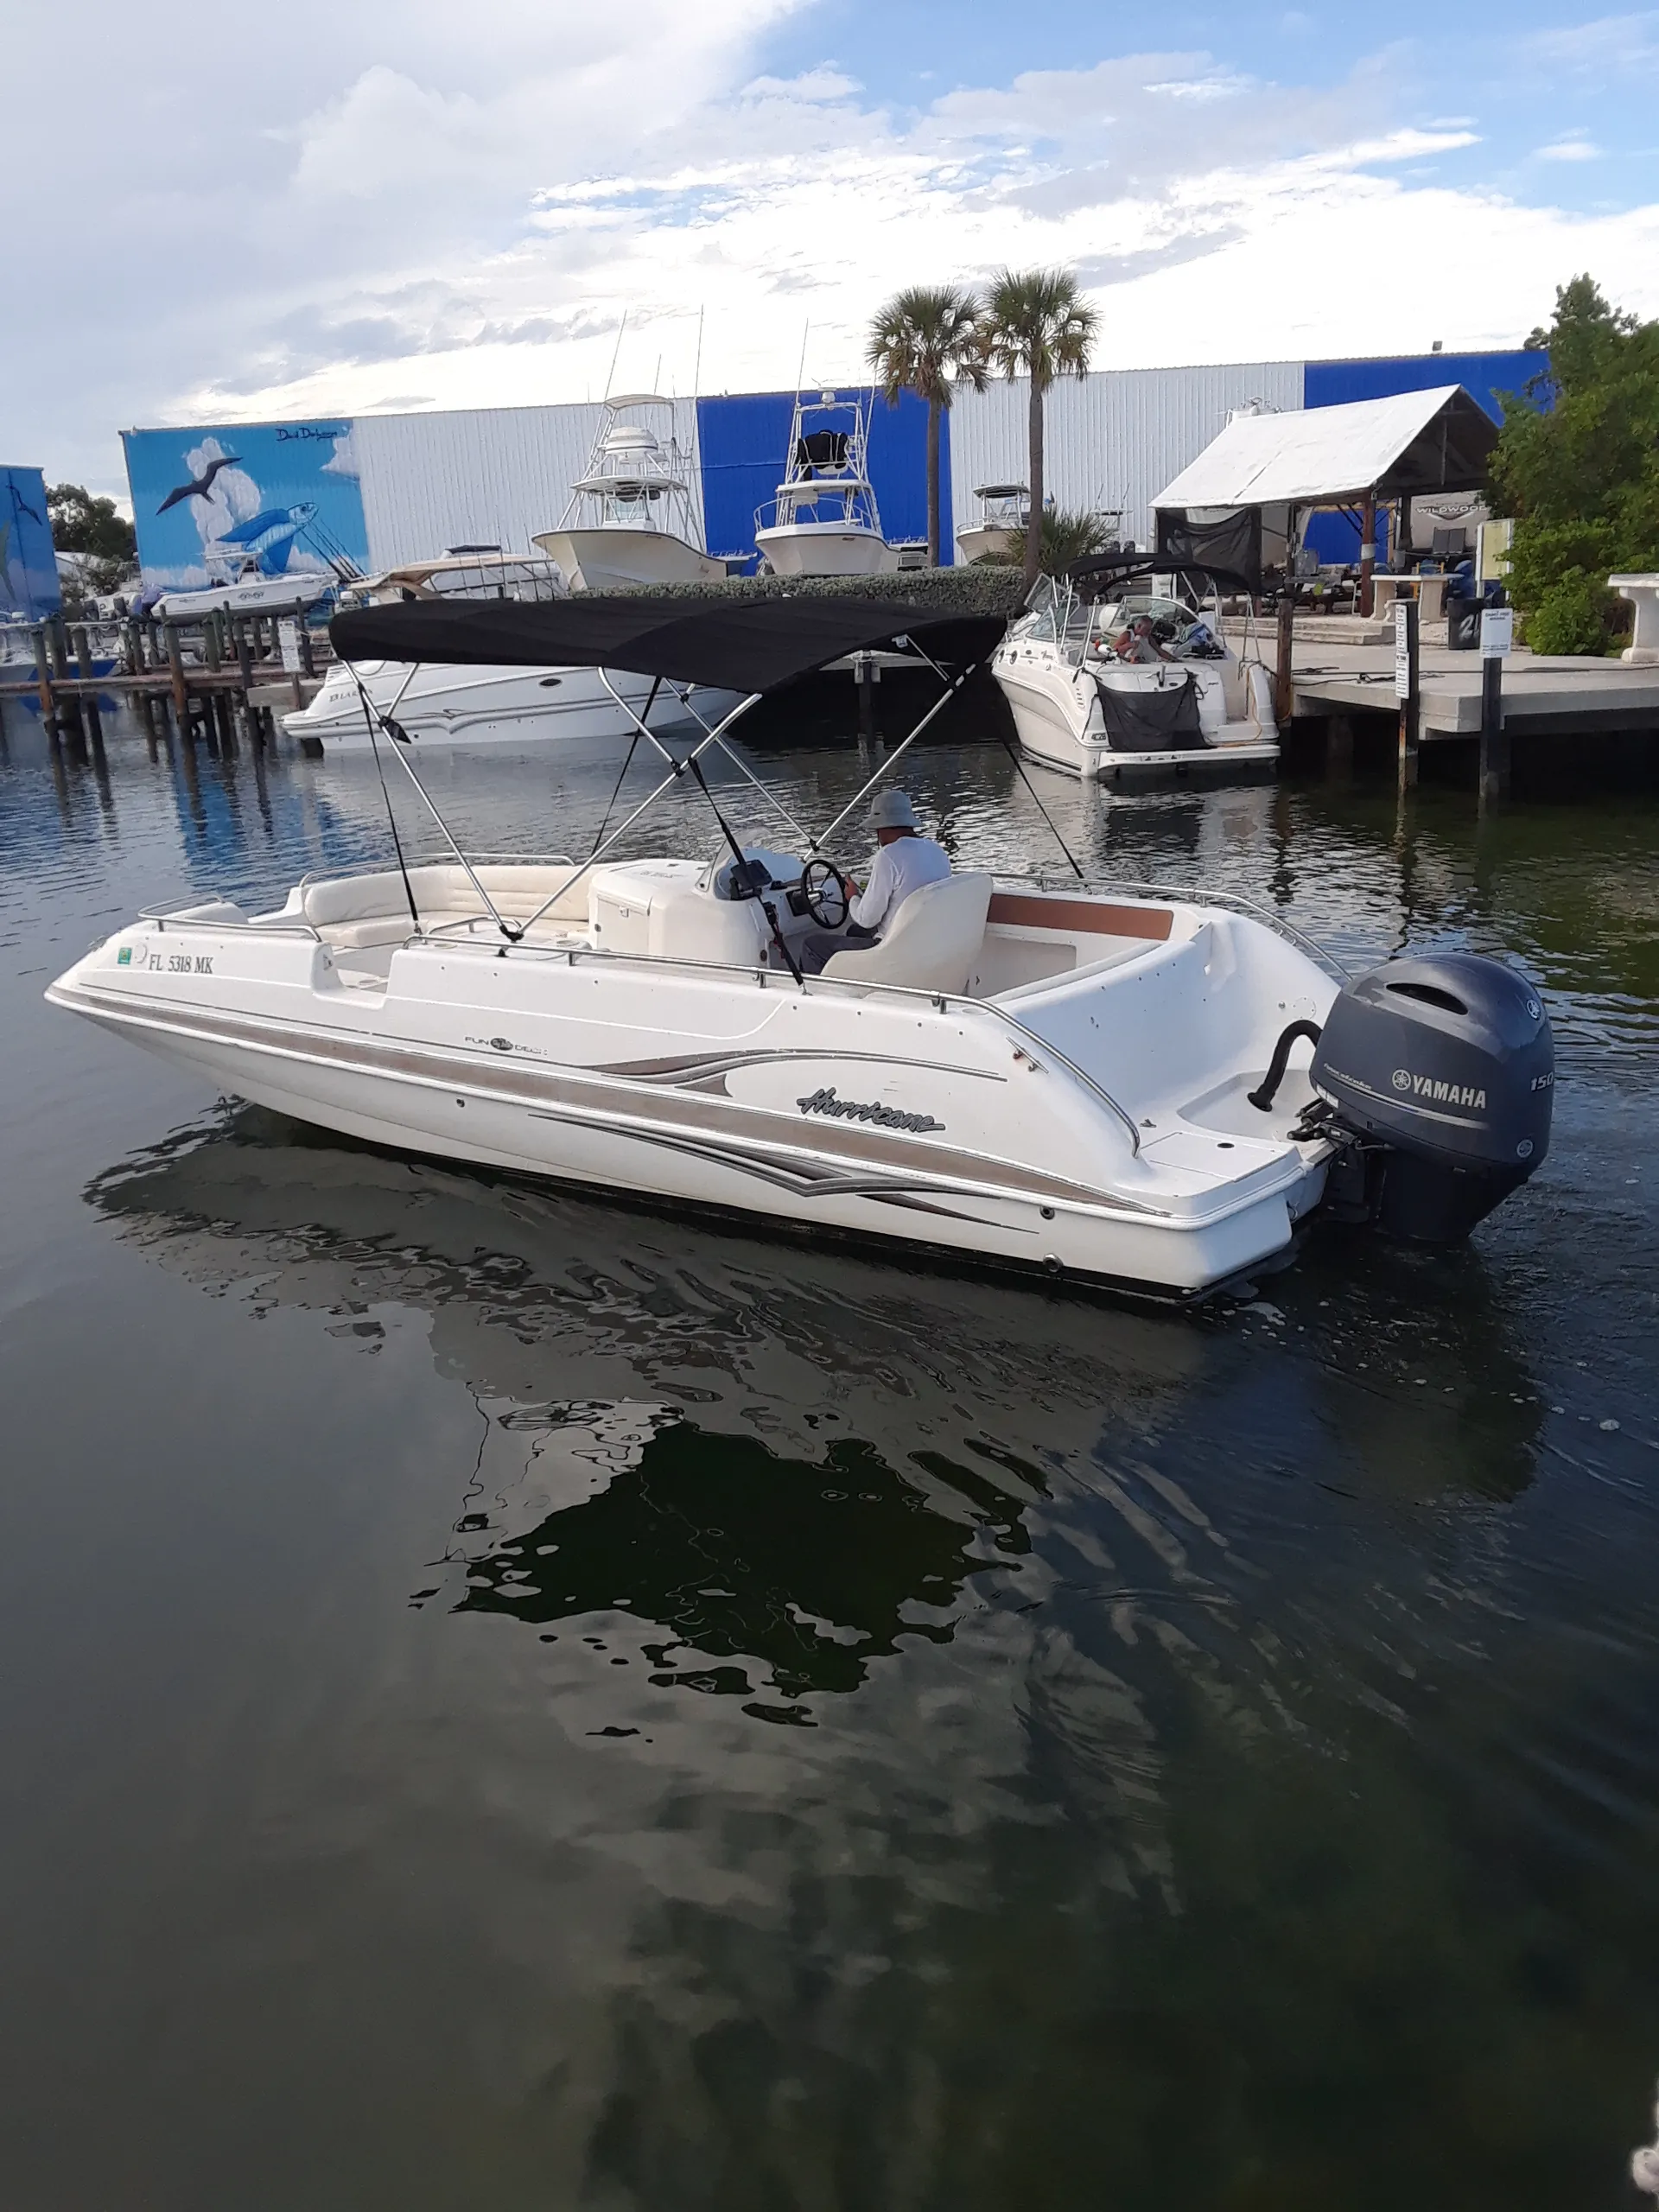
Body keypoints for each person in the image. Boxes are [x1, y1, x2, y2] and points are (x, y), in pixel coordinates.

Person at [799, 790, 950, 974]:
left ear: (883, 827)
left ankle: (818, 997)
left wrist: (852, 897)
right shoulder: (937, 851)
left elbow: (867, 919)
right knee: (854, 932)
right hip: (923, 942)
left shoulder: (889, 855)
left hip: (893, 949)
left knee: (812, 946)